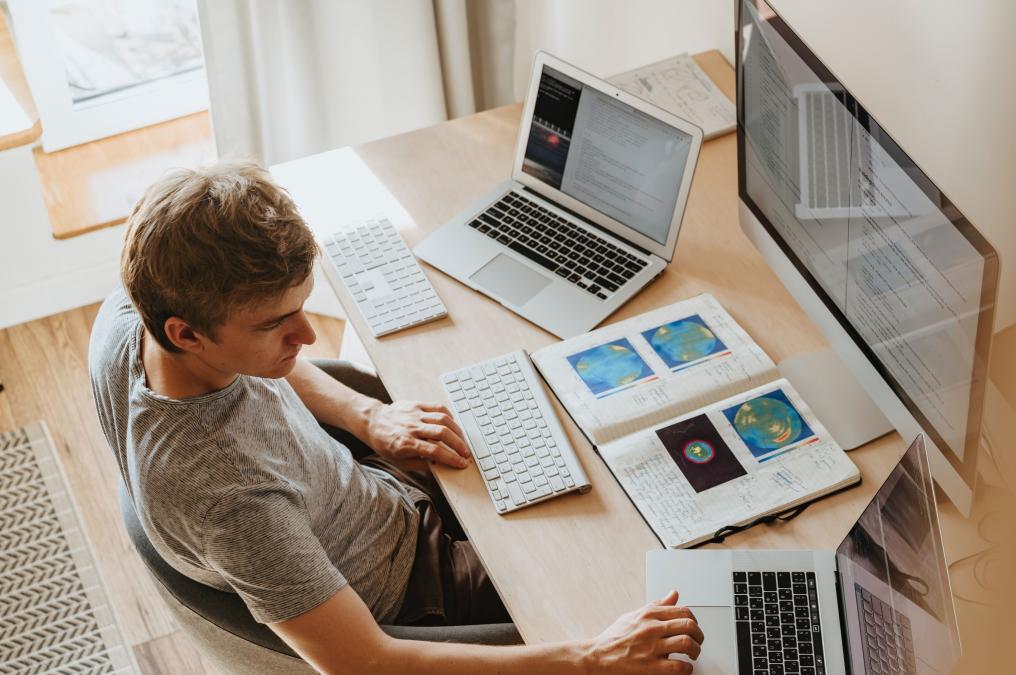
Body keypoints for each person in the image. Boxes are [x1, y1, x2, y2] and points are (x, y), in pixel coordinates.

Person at [89, 160, 703, 673]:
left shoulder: (134, 311)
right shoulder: (227, 500)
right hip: (414, 589)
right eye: (277, 324)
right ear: (186, 332)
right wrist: (592, 658)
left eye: (301, 307)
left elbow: (266, 363)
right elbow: (367, 663)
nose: (307, 335)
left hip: (369, 491)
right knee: (657, 596)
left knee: (586, 441)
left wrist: (366, 417)